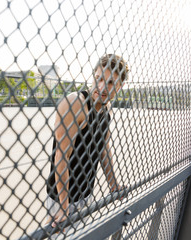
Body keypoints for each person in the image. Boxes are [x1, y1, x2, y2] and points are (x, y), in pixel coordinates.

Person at [46, 54, 129, 234]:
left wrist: (113, 184)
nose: (101, 87)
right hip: (63, 198)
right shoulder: (75, 103)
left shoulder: (106, 108)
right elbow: (61, 155)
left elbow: (104, 149)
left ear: (120, 85)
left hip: (86, 195)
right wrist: (63, 206)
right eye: (98, 79)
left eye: (110, 82)